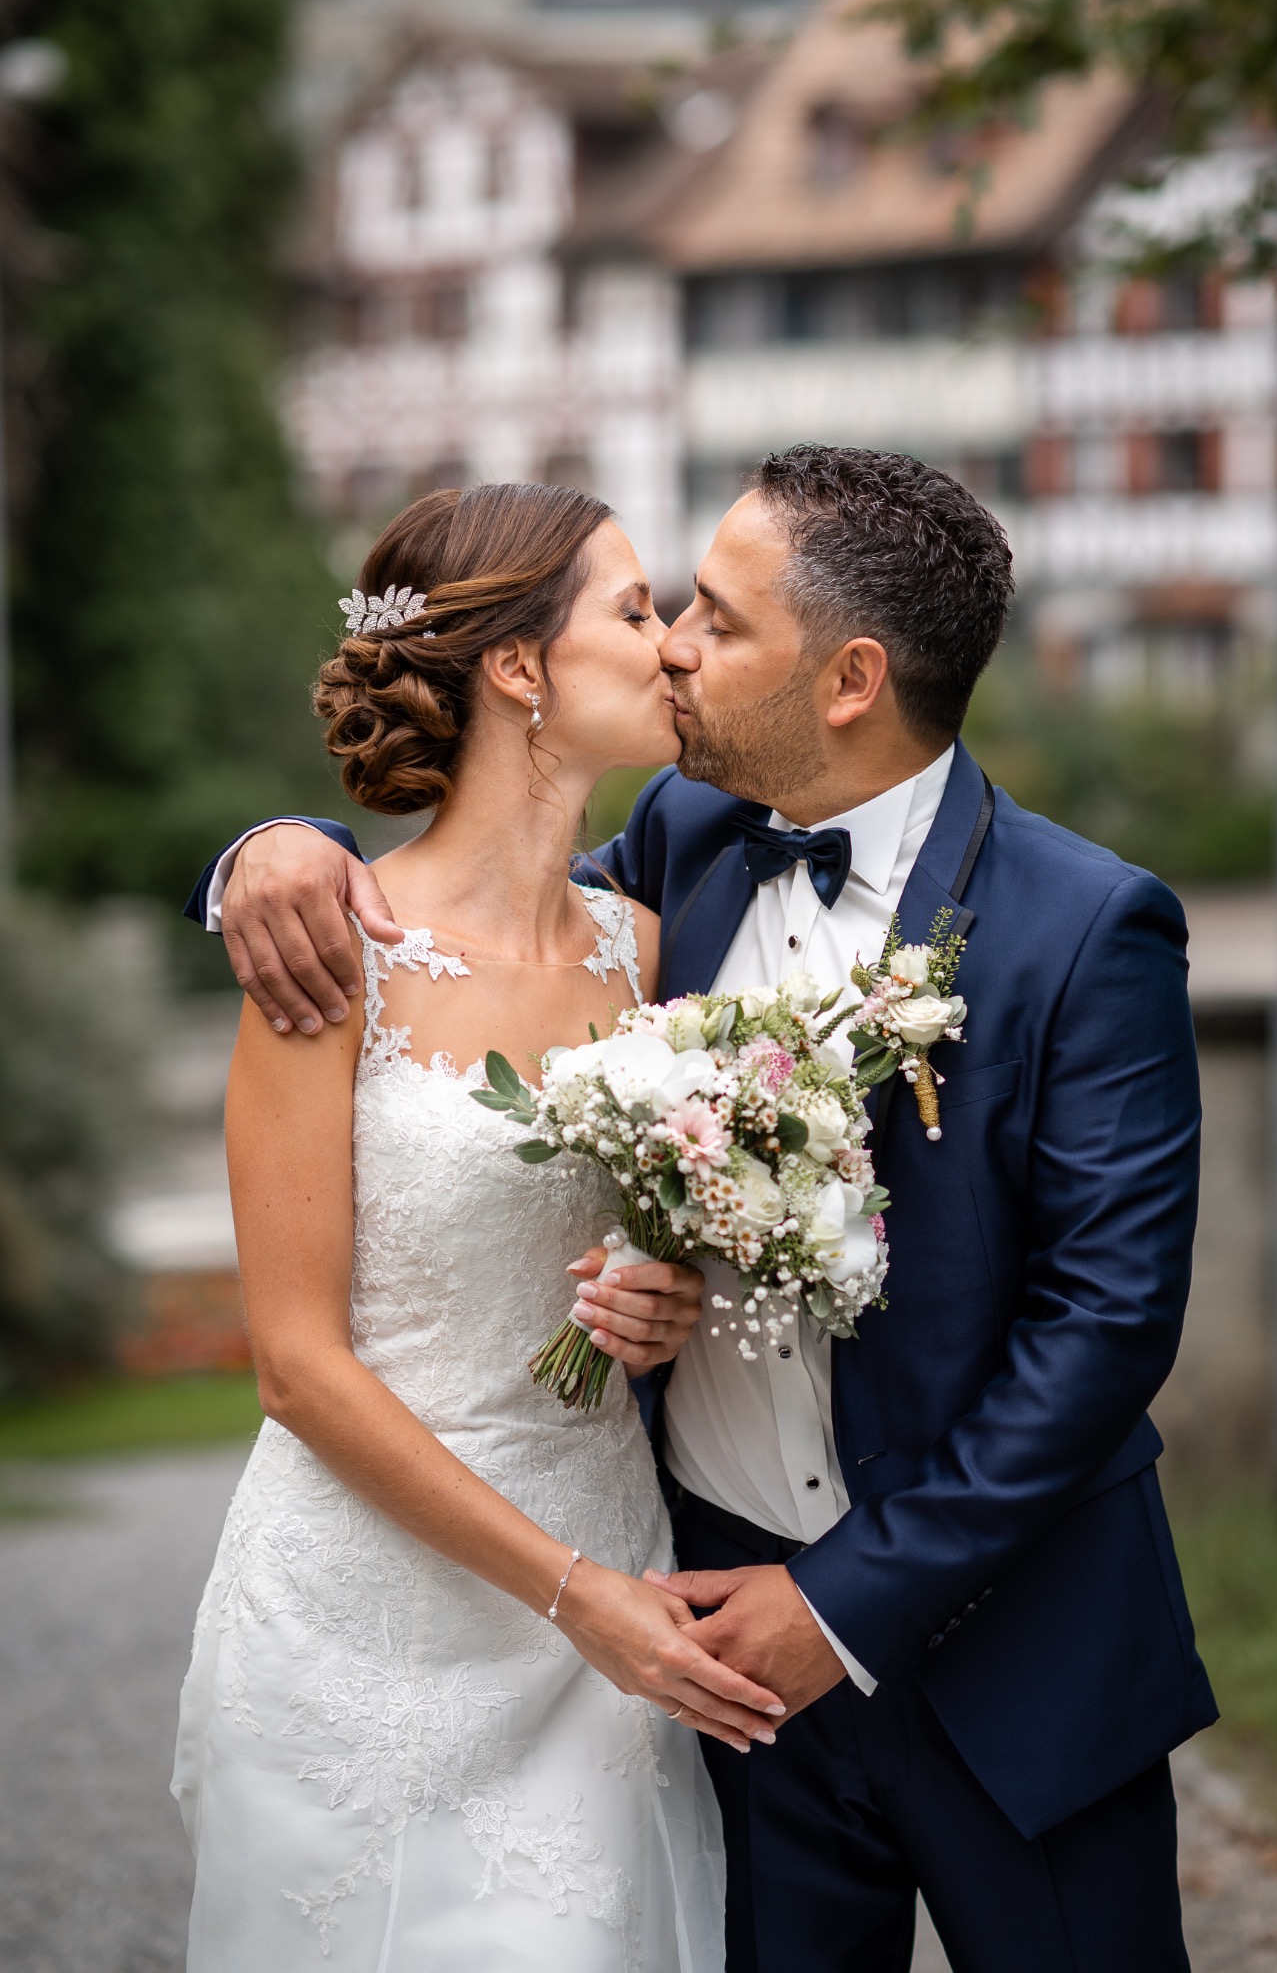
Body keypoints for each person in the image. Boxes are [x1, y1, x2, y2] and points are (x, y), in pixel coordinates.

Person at [189, 446, 1218, 1973]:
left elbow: (1106, 1330)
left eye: (717, 620)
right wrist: (273, 853)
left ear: (851, 676)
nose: (675, 643)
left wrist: (840, 1607)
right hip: (707, 1643)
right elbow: (460, 909)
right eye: (657, 608)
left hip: (1013, 1657)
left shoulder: (1089, 928)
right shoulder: (686, 852)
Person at [172, 481, 779, 1973]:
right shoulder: (332, 961)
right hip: (367, 1615)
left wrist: (666, 1289)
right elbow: (298, 1370)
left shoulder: (649, 951)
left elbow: (663, 1209)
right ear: (517, 668)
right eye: (636, 611)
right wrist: (576, 1599)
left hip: (608, 1582)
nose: (673, 646)